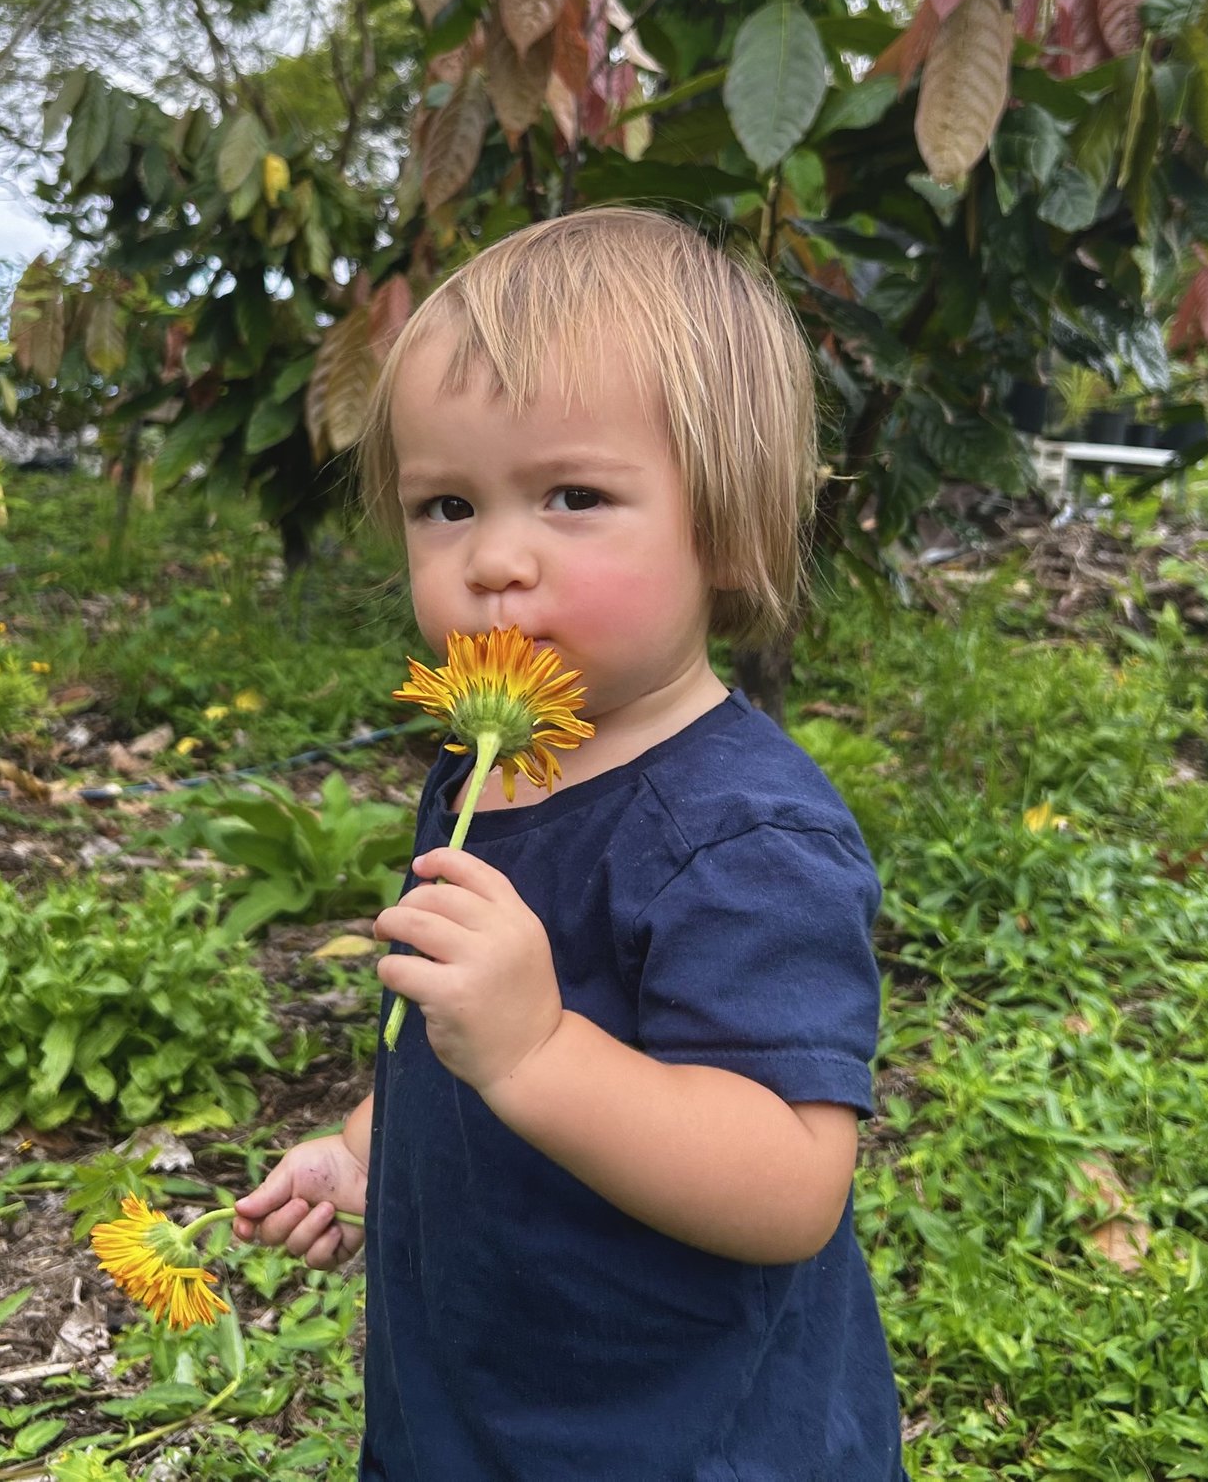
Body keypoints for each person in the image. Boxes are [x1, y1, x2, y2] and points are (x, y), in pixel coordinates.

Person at [232, 209, 904, 1479]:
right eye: (445, 505)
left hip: (678, 1433)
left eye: (573, 497)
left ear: (728, 527)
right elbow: (455, 1043)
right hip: (483, 1400)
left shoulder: (739, 836)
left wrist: (537, 1050)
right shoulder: (485, 768)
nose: (493, 559)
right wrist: (364, 1147)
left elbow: (788, 1185)